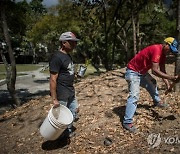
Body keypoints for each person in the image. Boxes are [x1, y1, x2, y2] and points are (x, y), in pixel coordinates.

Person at [123, 37, 180, 133]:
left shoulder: (163, 55)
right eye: (170, 49)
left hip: (142, 73)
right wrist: (172, 77)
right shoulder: (156, 50)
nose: (170, 52)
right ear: (165, 44)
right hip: (133, 72)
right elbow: (154, 71)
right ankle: (127, 122)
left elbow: (162, 70)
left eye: (172, 51)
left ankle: (157, 101)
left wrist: (167, 84)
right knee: (134, 96)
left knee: (153, 82)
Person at [49, 31, 79, 137]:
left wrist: (76, 75)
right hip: (61, 93)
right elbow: (53, 79)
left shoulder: (68, 56)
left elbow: (68, 72)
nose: (75, 44)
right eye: (72, 42)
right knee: (62, 117)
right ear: (64, 43)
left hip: (70, 90)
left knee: (74, 111)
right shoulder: (56, 57)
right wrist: (54, 99)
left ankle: (68, 132)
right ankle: (60, 136)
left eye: (75, 42)